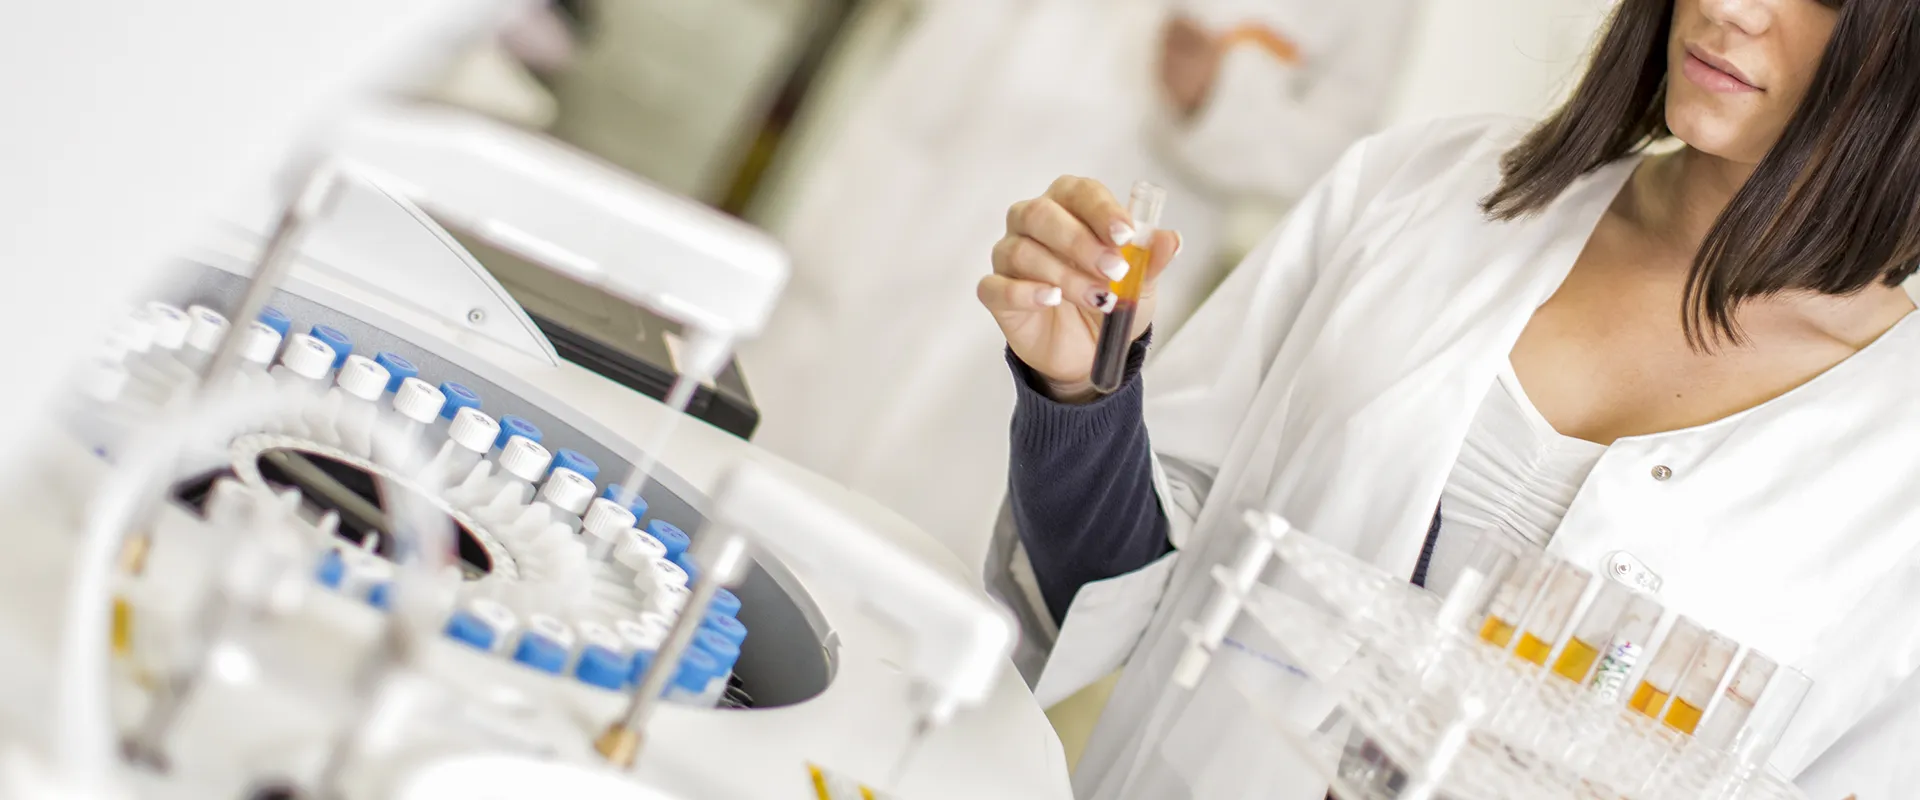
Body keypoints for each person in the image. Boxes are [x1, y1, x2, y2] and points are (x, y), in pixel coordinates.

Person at [980, 0, 1920, 797]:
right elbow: (1114, 591)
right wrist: (1078, 395)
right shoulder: (1424, 191)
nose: (1731, 7)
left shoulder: (1899, 469)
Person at [740, 0, 1414, 571]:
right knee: (755, 478)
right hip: (917, 187)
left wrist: (1215, 100)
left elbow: (1333, 148)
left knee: (938, 539)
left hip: (1095, 257)